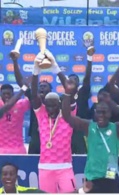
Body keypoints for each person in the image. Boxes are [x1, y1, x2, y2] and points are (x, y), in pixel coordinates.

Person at [62, 72, 119, 193]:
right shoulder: (88, 126)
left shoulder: (117, 128)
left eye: (104, 112)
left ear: (110, 114)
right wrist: (67, 93)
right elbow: (67, 116)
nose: (101, 115)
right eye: (99, 112)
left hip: (111, 177)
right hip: (92, 179)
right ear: (95, 113)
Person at [31, 53, 76, 193]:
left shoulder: (68, 115)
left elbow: (70, 90)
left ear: (60, 104)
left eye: (53, 105)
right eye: (47, 105)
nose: (50, 109)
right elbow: (34, 94)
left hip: (65, 167)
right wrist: (35, 69)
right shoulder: (41, 115)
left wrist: (55, 67)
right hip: (45, 168)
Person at [10, 51, 52, 154]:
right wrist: (15, 61)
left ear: (50, 91)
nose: (41, 88)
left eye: (44, 86)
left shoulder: (56, 103)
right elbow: (20, 82)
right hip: (35, 140)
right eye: (40, 86)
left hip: (51, 138)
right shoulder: (34, 99)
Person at [0, 84, 29, 154]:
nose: (6, 96)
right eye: (4, 94)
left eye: (8, 94)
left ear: (13, 94)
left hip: (18, 149)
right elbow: (8, 105)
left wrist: (27, 86)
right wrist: (23, 88)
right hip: (1, 150)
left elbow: (32, 98)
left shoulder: (21, 104)